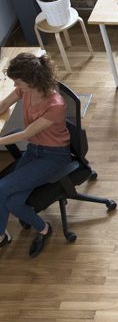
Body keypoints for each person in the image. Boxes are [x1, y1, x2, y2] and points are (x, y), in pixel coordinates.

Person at [0, 53, 71, 257]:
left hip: (54, 156)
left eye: (18, 82)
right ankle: (43, 229)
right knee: (13, 202)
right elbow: (3, 105)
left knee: (1, 189)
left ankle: (2, 236)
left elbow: (25, 134)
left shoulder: (55, 105)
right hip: (34, 151)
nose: (16, 85)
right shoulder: (25, 90)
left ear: (31, 80)